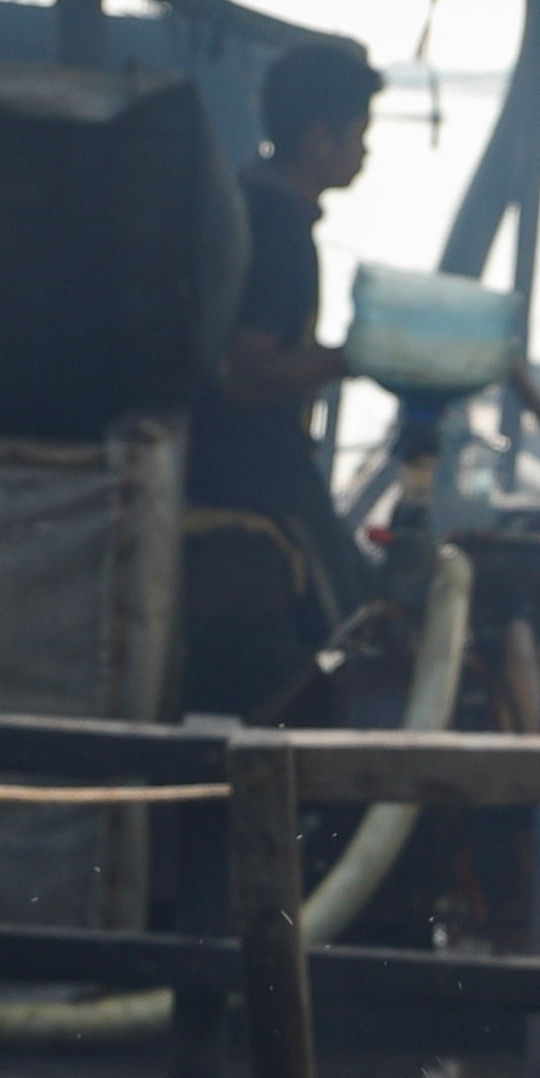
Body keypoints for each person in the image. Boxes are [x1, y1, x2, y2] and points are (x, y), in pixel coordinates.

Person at [182, 39, 381, 721]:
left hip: (217, 460)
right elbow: (248, 366)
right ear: (320, 139)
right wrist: (360, 356)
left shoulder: (247, 199)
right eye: (359, 132)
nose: (366, 150)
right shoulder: (280, 229)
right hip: (255, 472)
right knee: (352, 619)